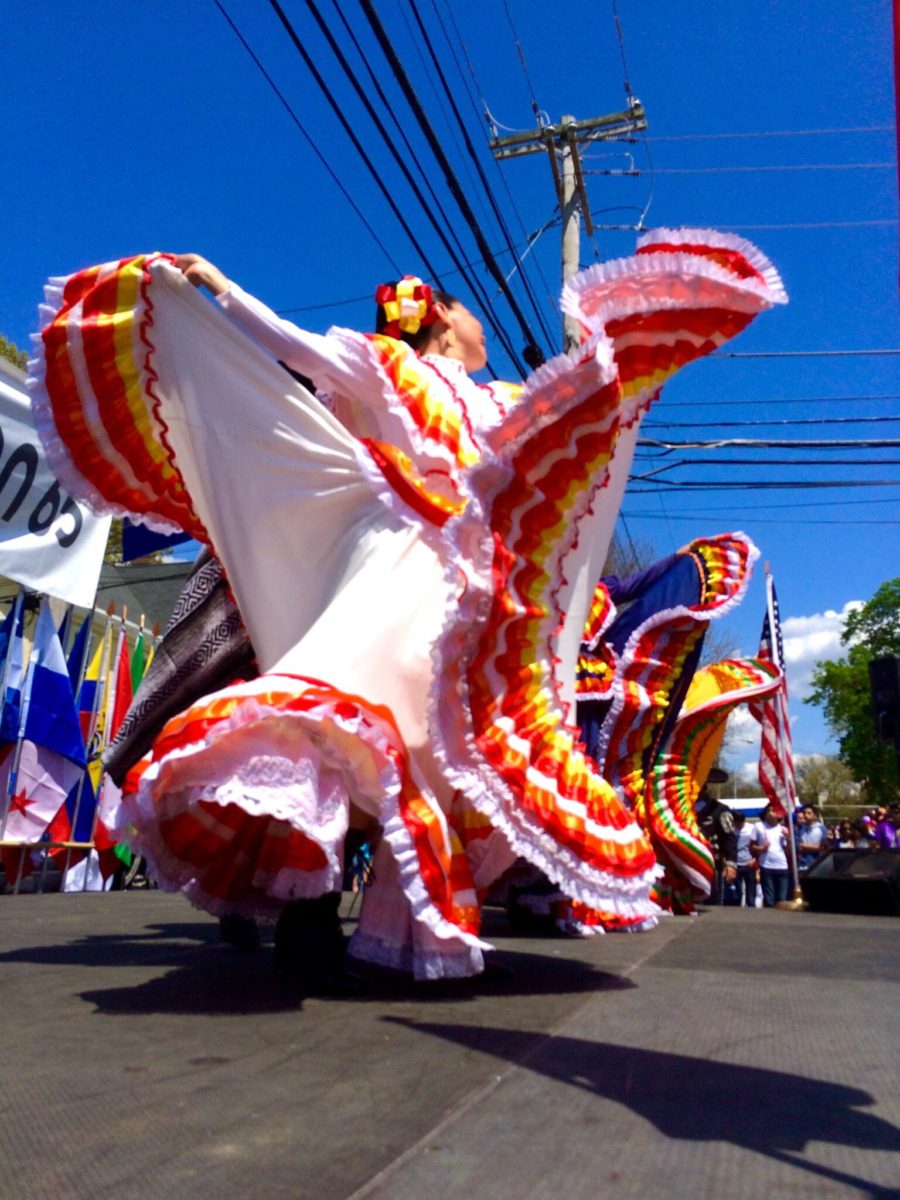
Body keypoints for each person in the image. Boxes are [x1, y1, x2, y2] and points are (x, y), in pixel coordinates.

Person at [32, 229, 786, 980]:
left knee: (434, 740)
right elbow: (300, 350)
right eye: (471, 314)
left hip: (468, 580)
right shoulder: (388, 364)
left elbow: (558, 444)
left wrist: (626, 369)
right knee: (341, 708)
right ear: (438, 317)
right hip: (394, 551)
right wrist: (223, 287)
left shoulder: (504, 400)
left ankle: (385, 918)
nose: (483, 327)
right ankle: (308, 902)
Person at [726, 811, 764, 908]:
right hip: (736, 864)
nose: (738, 824)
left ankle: (751, 908)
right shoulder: (731, 830)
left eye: (740, 822)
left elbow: (758, 845)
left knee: (751, 891)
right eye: (736, 822)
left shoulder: (751, 829)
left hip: (749, 863)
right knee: (737, 891)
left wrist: (755, 859)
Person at [757, 804, 791, 906]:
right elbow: (752, 847)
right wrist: (762, 848)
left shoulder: (783, 829)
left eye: (774, 810)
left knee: (782, 898)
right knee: (769, 899)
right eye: (769, 811)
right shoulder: (759, 827)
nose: (772, 813)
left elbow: (788, 852)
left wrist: (788, 839)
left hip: (782, 866)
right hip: (766, 866)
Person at [796, 803, 829, 871]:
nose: (806, 815)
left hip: (817, 865)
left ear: (815, 815)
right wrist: (814, 847)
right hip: (803, 865)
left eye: (809, 813)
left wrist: (805, 846)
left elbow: (822, 847)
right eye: (804, 813)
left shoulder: (822, 828)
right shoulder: (800, 828)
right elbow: (798, 847)